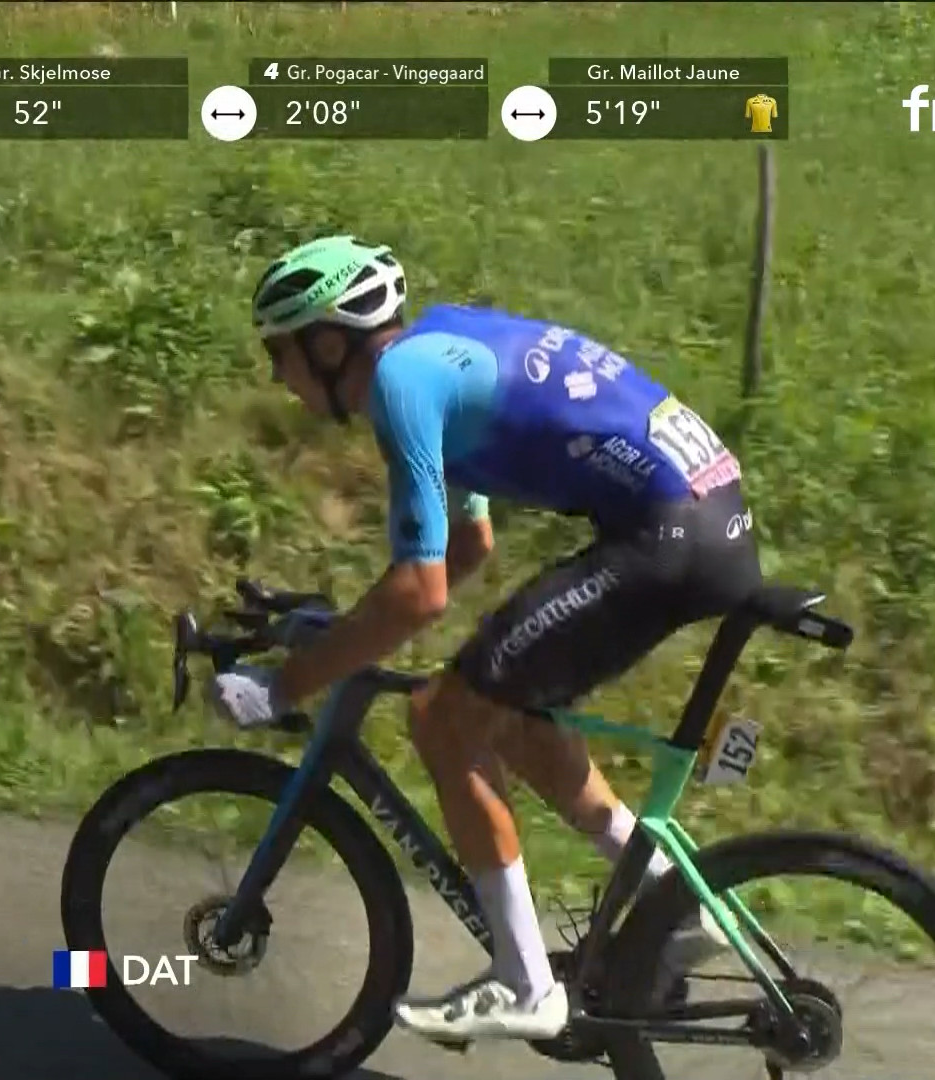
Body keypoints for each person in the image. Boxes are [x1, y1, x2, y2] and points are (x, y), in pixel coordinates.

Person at [205, 235, 758, 1043]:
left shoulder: (401, 384)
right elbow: (466, 548)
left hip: (667, 539)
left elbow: (421, 592)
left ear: (326, 346)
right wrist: (341, 635)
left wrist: (287, 685)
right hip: (702, 524)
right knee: (510, 715)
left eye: (278, 353)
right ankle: (671, 895)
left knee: (442, 717)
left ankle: (525, 983)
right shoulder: (435, 353)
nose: (274, 376)